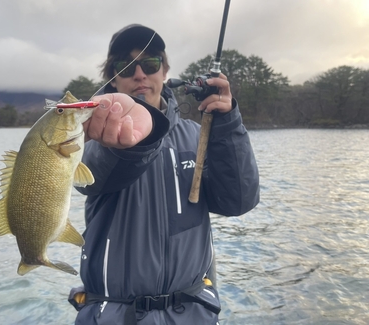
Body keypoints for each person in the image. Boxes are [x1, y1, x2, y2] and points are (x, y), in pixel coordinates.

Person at [68, 24, 260, 324]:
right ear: (113, 77)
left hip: (193, 313)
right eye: (126, 66)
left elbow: (237, 201)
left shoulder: (198, 135)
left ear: (165, 70)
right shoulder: (93, 136)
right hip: (115, 315)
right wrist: (136, 134)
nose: (140, 74)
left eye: (150, 63)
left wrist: (227, 123)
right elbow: (93, 176)